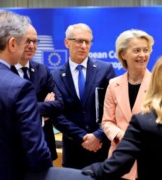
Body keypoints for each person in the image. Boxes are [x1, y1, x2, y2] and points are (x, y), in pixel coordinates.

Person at [0, 10, 52, 179]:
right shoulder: (19, 88)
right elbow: (37, 155)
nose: (28, 47)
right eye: (24, 42)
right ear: (13, 44)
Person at [52, 23, 116, 169]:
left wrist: (98, 136)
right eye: (79, 41)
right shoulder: (55, 76)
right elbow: (56, 115)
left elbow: (114, 108)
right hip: (73, 152)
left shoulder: (105, 70)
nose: (83, 46)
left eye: (87, 42)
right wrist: (83, 137)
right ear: (67, 42)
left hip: (102, 149)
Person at [101, 29, 154, 180]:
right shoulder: (113, 84)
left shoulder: (159, 83)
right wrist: (122, 136)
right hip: (120, 159)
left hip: (150, 159)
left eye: (146, 50)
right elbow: (107, 121)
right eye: (137, 50)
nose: (143, 55)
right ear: (123, 54)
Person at [11, 24, 64, 161]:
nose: (31, 46)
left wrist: (26, 109)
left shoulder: (42, 70)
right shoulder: (3, 71)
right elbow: (9, 110)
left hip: (44, 147)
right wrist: (41, 114)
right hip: (14, 149)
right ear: (14, 42)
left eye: (35, 41)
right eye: (27, 41)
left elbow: (59, 104)